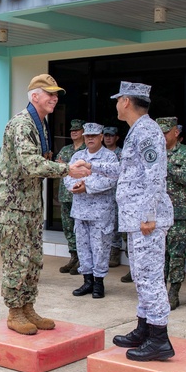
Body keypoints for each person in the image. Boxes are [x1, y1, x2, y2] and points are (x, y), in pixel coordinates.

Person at [0, 74, 90, 335]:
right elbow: (31, 164)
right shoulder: (22, 124)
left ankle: (27, 307)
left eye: (56, 94)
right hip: (13, 204)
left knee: (34, 258)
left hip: (30, 203)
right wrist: (69, 169)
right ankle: (14, 311)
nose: (54, 97)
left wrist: (69, 167)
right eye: (49, 93)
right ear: (34, 96)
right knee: (17, 259)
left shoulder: (40, 124)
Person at [105, 82, 175, 361]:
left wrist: (148, 216)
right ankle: (144, 327)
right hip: (137, 219)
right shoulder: (138, 131)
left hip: (147, 220)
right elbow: (126, 170)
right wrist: (91, 166)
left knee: (150, 278)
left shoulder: (146, 131)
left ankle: (159, 339)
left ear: (125, 101)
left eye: (117, 100)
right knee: (141, 277)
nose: (116, 105)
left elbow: (155, 176)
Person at [64, 123, 120, 299]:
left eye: (93, 136)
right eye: (87, 136)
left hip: (100, 212)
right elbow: (67, 176)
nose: (90, 139)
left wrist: (86, 186)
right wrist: (74, 186)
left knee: (100, 248)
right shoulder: (77, 156)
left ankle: (98, 283)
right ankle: (87, 281)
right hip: (80, 210)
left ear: (101, 137)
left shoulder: (109, 158)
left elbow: (111, 180)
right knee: (83, 247)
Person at [158, 117, 186, 310]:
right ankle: (160, 289)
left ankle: (174, 291)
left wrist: (165, 163)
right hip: (156, 212)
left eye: (165, 132)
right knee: (159, 253)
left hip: (178, 211)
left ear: (176, 132)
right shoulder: (152, 152)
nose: (162, 136)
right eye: (160, 132)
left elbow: (185, 177)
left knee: (176, 253)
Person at [56, 119, 85, 274]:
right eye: (72, 130)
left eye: (77, 130)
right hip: (65, 195)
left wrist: (64, 166)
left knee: (80, 228)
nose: (74, 132)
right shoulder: (66, 149)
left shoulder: (87, 150)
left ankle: (82, 259)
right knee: (68, 227)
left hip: (80, 196)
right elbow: (57, 166)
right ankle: (73, 256)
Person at [103, 126, 126, 268]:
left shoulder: (122, 154)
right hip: (104, 194)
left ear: (117, 137)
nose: (108, 138)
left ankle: (115, 251)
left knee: (117, 223)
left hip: (118, 194)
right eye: (105, 135)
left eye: (111, 135)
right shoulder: (102, 154)